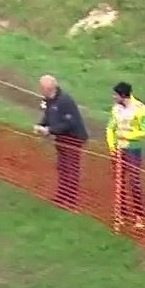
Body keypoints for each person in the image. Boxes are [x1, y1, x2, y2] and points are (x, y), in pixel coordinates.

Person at [35, 75, 89, 211]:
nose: (40, 90)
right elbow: (48, 115)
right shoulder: (49, 100)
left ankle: (71, 200)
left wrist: (49, 130)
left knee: (71, 169)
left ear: (48, 88)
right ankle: (62, 195)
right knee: (62, 167)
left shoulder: (65, 101)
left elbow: (69, 123)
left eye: (42, 88)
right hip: (61, 138)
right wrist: (41, 125)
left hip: (73, 139)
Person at [107, 82, 145, 229]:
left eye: (115, 95)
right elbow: (110, 128)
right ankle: (121, 213)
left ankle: (139, 216)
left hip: (133, 149)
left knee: (134, 181)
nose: (113, 97)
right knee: (119, 181)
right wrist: (112, 147)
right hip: (118, 149)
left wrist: (127, 136)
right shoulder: (116, 108)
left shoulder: (140, 109)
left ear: (122, 95)